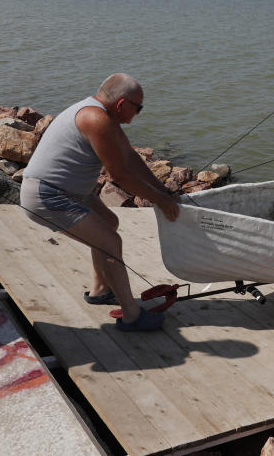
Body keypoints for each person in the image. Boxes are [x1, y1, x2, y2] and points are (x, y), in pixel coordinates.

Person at [20, 73, 181, 331]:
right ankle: (131, 316)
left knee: (109, 221)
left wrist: (164, 191)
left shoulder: (104, 116)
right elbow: (120, 175)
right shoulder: (96, 119)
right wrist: (159, 201)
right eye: (138, 107)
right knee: (109, 242)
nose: (139, 113)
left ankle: (99, 290)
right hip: (47, 195)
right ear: (121, 104)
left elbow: (131, 158)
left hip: (71, 191)